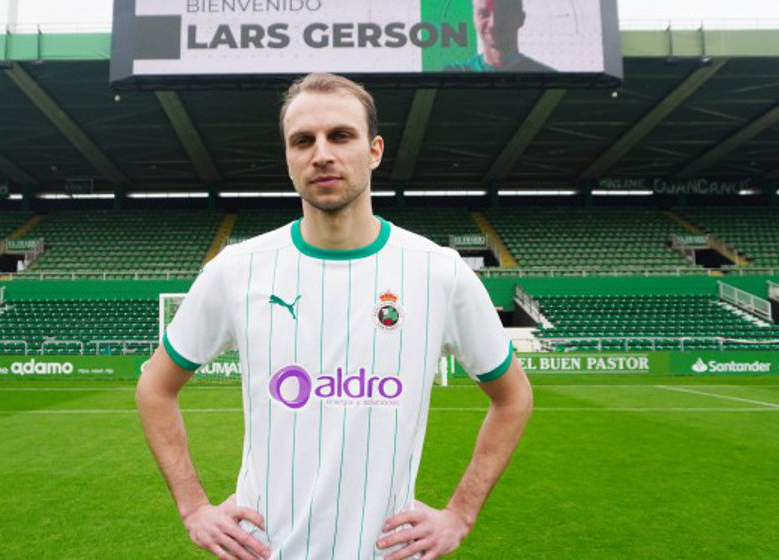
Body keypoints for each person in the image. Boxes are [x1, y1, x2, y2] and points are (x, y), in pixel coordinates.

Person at [136, 73, 533, 560]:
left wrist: (461, 513)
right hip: (264, 550)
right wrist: (194, 507)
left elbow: (513, 396)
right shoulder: (237, 270)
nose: (321, 153)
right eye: (303, 141)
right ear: (288, 157)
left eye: (340, 135)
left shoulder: (438, 273)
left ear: (374, 150)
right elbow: (155, 386)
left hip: (386, 551)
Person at [445, 0, 554, 73]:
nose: (493, 23)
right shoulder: (455, 73)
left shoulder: (547, 77)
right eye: (484, 14)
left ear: (521, 18)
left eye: (502, 13)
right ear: (474, 19)